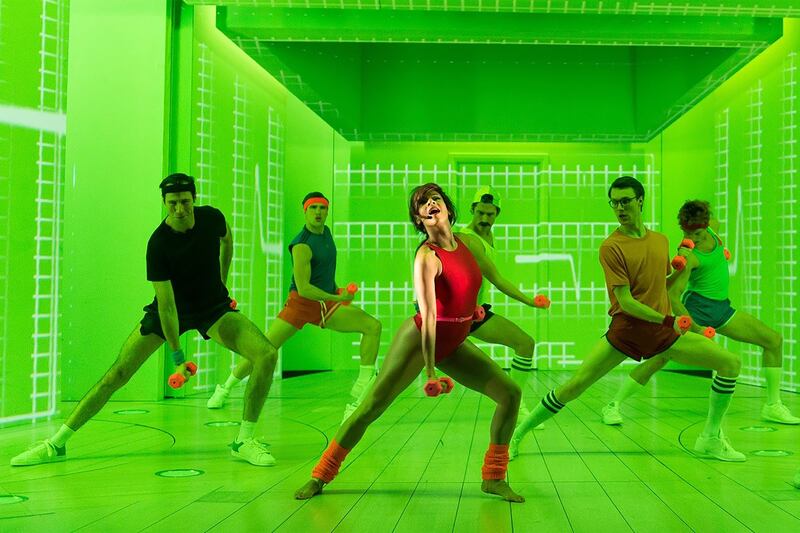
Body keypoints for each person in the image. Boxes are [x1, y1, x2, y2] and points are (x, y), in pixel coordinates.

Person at [11, 173, 278, 467]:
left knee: (266, 354)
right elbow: (167, 308)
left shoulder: (212, 217)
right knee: (117, 374)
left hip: (212, 308)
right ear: (164, 202)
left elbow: (227, 239)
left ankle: (243, 441)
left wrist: (222, 282)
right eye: (173, 203)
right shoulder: (159, 243)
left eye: (185, 201)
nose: (179, 209)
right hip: (170, 310)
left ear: (194, 198)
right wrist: (178, 356)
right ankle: (56, 444)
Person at [294, 183, 524, 502]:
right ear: (418, 218)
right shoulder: (426, 255)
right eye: (422, 204)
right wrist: (429, 371)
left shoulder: (469, 244)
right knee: (371, 407)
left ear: (449, 209)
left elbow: (482, 283)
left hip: (453, 341)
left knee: (510, 394)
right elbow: (429, 315)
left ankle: (494, 477)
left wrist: (492, 307)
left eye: (436, 199)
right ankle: (320, 474)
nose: (431, 205)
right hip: (419, 340)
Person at [511, 176, 746, 462]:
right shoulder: (611, 247)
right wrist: (667, 320)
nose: (620, 208)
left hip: (662, 332)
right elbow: (626, 301)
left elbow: (662, 286)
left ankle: (710, 438)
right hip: (629, 330)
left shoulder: (660, 241)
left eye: (625, 201)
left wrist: (682, 268)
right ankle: (517, 433)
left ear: (640, 201)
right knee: (575, 385)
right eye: (614, 203)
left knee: (730, 363)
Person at [599, 199, 799, 426]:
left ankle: (772, 405)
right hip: (697, 312)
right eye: (687, 233)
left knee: (773, 340)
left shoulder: (714, 227)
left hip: (722, 309)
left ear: (706, 224)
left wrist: (721, 254)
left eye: (696, 233)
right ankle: (613, 405)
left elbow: (711, 221)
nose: (691, 238)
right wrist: (695, 327)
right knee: (660, 358)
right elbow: (672, 295)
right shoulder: (688, 256)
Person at [206, 192, 382, 420]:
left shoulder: (326, 233)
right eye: (313, 208)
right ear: (305, 211)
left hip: (325, 306)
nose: (318, 212)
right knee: (263, 350)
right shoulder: (301, 245)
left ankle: (364, 381)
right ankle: (225, 388)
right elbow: (304, 288)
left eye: (322, 208)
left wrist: (337, 291)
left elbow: (324, 273)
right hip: (300, 305)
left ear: (327, 211)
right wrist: (337, 298)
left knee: (372, 326)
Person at [456, 187, 542, 420]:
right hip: (455, 317)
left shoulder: (487, 238)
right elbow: (497, 280)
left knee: (525, 344)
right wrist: (529, 301)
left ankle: (516, 404)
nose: (484, 219)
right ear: (472, 210)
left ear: (497, 213)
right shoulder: (469, 240)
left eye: (490, 214)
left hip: (474, 315)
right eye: (480, 213)